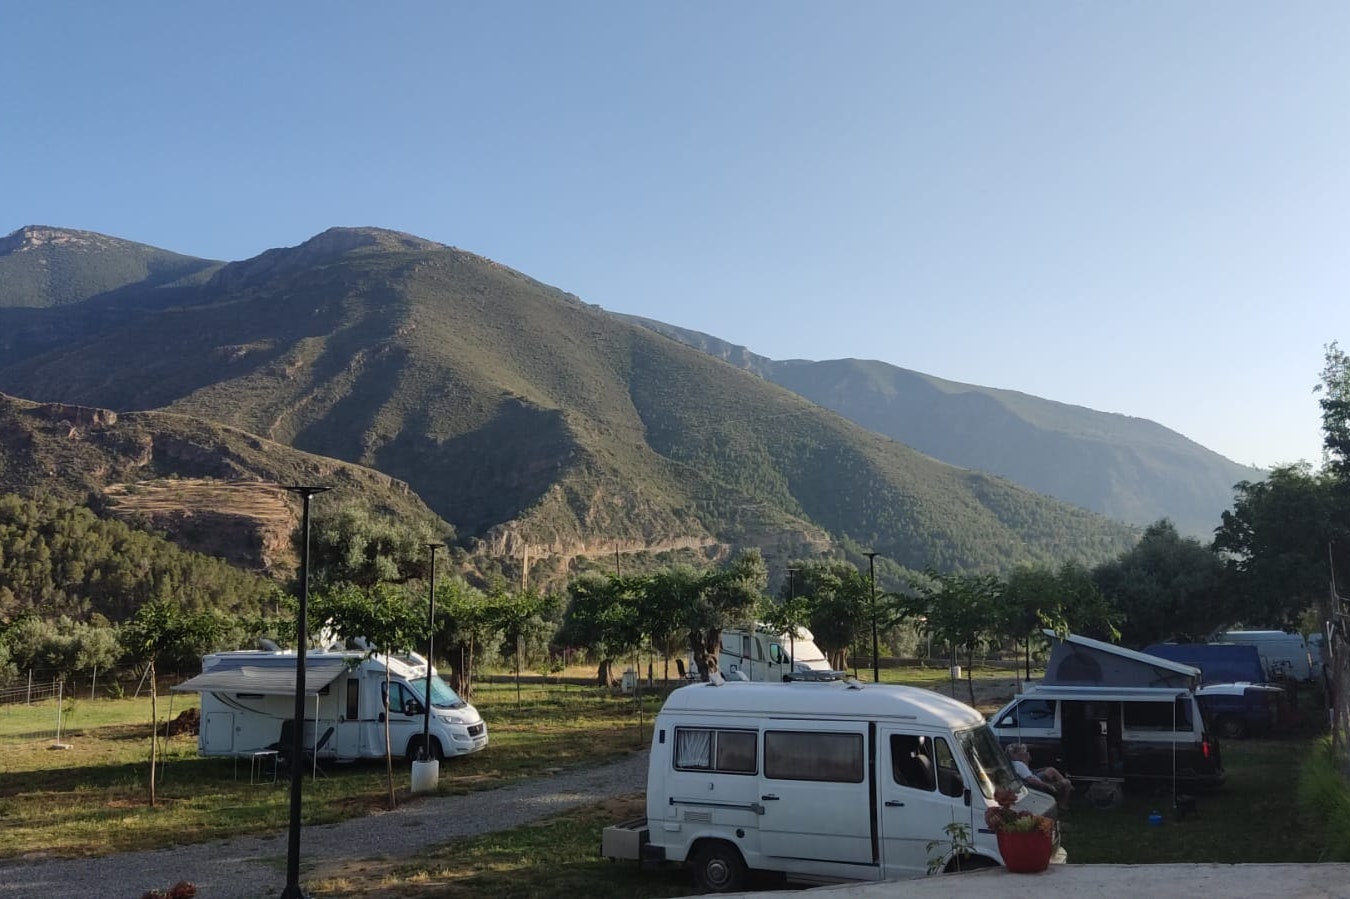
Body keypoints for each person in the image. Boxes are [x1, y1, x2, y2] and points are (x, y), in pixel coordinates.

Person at [1008, 742, 1073, 810]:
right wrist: (1047, 785)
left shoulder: (1012, 764)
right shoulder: (1019, 765)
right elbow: (1032, 780)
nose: (1026, 753)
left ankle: (1059, 799)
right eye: (1023, 752)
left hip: (1033, 782)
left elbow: (1028, 774)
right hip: (1036, 787)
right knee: (1066, 783)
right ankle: (1062, 805)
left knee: (1050, 770)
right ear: (1018, 754)